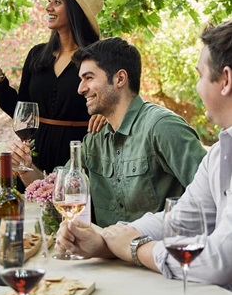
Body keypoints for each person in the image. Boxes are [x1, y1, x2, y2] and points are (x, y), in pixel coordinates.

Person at [56, 19, 232, 287]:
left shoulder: (162, 127)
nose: (80, 88)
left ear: (226, 80)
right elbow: (180, 220)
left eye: (199, 75)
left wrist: (136, 248)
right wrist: (105, 242)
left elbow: (218, 261)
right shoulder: (220, 153)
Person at [15, 37, 207, 227]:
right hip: (103, 246)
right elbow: (56, 191)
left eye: (89, 78)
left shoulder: (162, 128)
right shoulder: (94, 140)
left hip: (157, 246)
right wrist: (25, 167)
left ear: (120, 79)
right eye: (81, 79)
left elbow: (210, 199)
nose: (80, 89)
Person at [0, 0, 104, 184]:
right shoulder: (37, 55)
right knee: (30, 204)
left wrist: (106, 115)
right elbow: (21, 111)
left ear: (74, 10)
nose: (48, 7)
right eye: (49, 0)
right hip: (34, 156)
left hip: (79, 154)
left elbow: (116, 102)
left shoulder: (98, 57)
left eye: (57, 2)